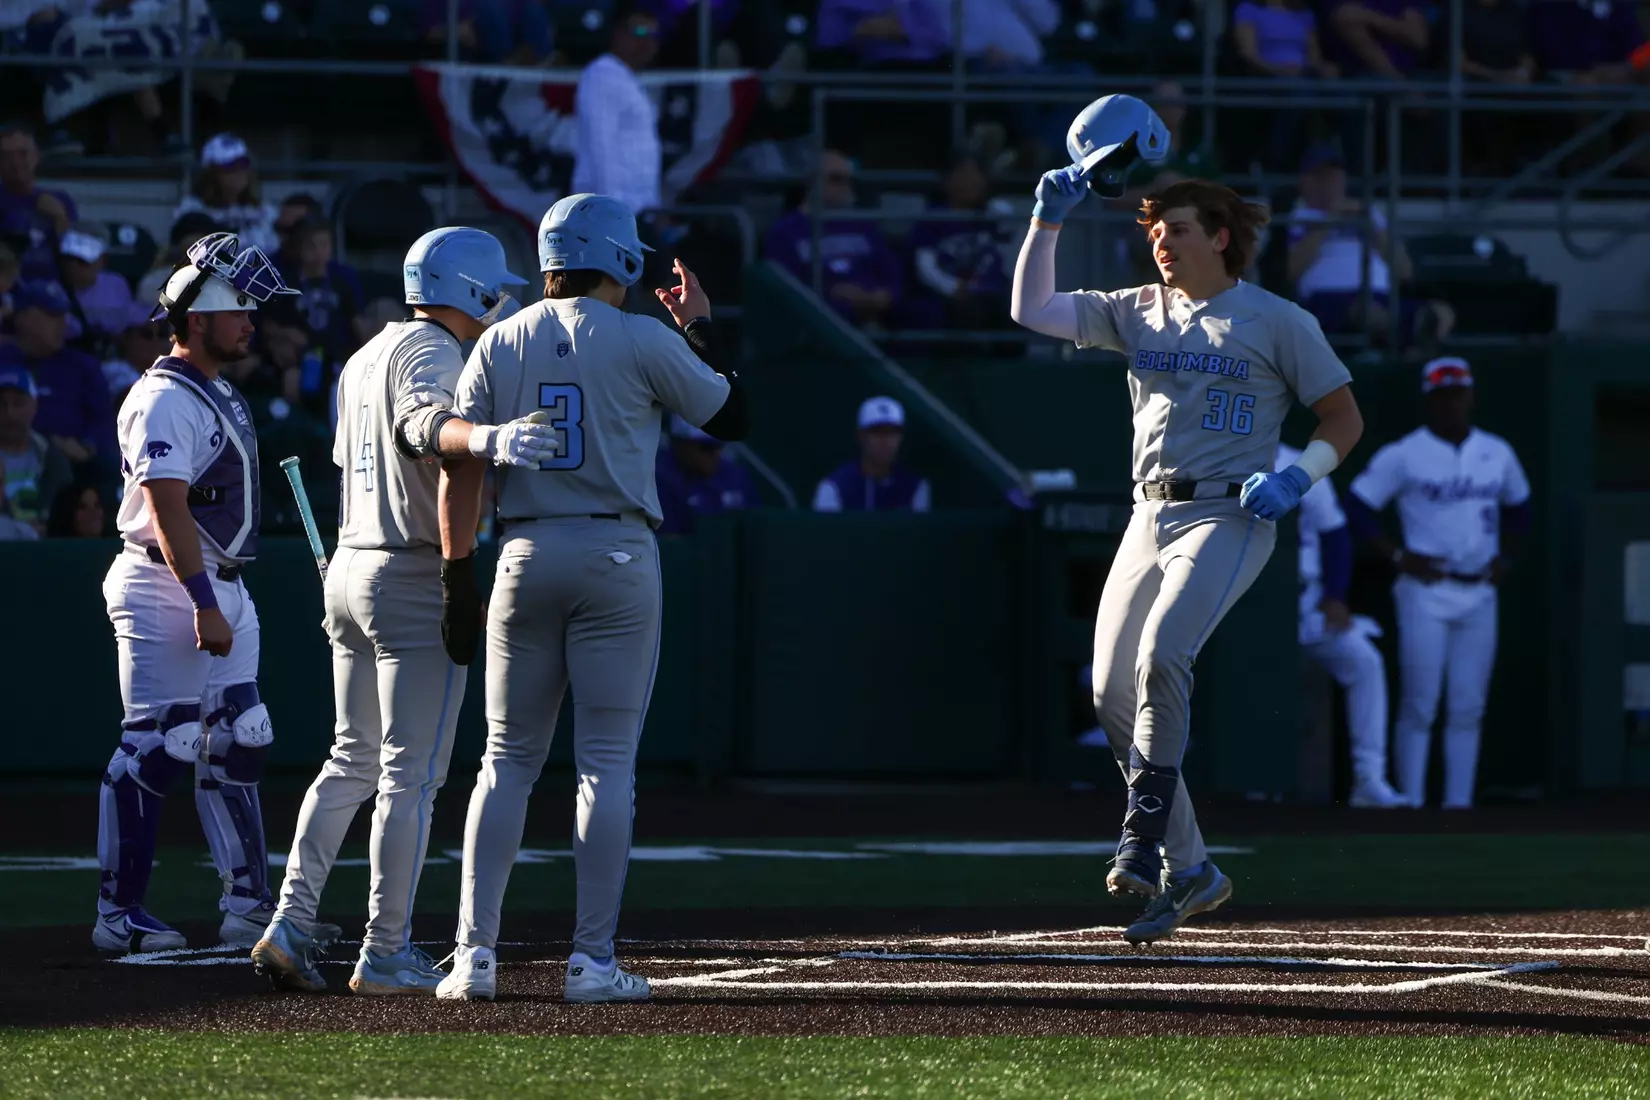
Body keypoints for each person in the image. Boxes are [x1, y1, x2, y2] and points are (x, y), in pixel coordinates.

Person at [1009, 95, 1365, 944]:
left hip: (1231, 513)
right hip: (1148, 513)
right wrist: (1042, 223)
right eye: (1153, 231)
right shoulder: (1138, 308)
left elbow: (1343, 419)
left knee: (1166, 655)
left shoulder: (1279, 320)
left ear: (1221, 236)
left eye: (1176, 229)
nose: (1160, 240)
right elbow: (1032, 309)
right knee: (1106, 692)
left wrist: (1299, 477)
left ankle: (1141, 834)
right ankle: (1192, 867)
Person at [434, 194, 748, 1003]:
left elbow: (460, 462)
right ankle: (591, 961)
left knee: (504, 763)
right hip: (614, 551)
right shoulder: (641, 334)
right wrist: (700, 327)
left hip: (523, 549)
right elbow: (733, 414)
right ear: (621, 257)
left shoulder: (499, 338)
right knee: (605, 765)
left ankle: (473, 957)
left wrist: (456, 573)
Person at [253, 228, 555, 996]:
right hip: (412, 570)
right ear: (470, 291)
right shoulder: (434, 353)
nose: (501, 306)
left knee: (350, 759)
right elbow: (424, 429)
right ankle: (384, 948)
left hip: (351, 565)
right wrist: (489, 436)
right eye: (494, 293)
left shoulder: (362, 354)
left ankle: (291, 918)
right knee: (409, 777)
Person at [93, 231, 307, 953]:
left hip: (220, 583)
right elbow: (166, 504)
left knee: (241, 738)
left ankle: (249, 905)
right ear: (197, 317)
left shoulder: (218, 392)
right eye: (238, 309)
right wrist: (202, 602)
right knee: (156, 745)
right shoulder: (163, 398)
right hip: (167, 583)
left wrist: (220, 599)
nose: (250, 321)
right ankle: (118, 914)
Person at [1344, 356, 1530, 810]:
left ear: (1470, 396)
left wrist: (1508, 557)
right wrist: (1399, 555)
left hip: (1479, 588)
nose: (1452, 403)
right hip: (1426, 589)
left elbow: (1521, 506)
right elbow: (1358, 506)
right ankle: (1411, 804)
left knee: (1468, 706)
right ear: (1429, 400)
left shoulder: (1496, 451)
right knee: (1420, 704)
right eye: (1442, 395)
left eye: (1458, 393)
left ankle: (1458, 806)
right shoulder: (1406, 452)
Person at [1276, 442, 1405, 808]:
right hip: (1247, 606)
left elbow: (1334, 533)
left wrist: (1336, 596)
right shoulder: (1223, 456)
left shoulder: (1299, 463)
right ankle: (1245, 788)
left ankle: (1369, 780)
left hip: (1306, 603)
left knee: (1364, 661)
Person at [764, 150, 902, 331]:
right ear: (813, 181)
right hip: (817, 328)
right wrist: (841, 299)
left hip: (871, 320)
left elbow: (890, 274)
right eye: (836, 179)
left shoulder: (863, 225)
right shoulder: (785, 232)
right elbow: (785, 293)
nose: (845, 186)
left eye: (849, 180)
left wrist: (880, 297)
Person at [0, 279, 115, 471]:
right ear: (23, 318)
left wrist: (87, 446)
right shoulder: (3, 360)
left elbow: (103, 420)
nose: (63, 324)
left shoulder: (82, 365)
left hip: (74, 466)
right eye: (52, 316)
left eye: (64, 316)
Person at [572, 5, 664, 218]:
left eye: (653, 35)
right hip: (609, 212)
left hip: (639, 209)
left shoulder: (629, 80)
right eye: (640, 33)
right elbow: (600, 146)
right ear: (618, 35)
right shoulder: (602, 74)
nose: (647, 42)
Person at [812, 396, 931, 512]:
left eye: (893, 433)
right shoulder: (835, 487)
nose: (887, 441)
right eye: (877, 432)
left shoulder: (914, 487)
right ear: (860, 436)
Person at [170, 135, 279, 256]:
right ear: (211, 173)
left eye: (243, 163)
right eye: (229, 166)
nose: (238, 172)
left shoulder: (265, 210)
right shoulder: (191, 209)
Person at [656, 414, 757, 536]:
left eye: (718, 446)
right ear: (680, 444)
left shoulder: (735, 475)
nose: (715, 454)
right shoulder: (660, 480)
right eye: (707, 447)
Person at [0, 364, 72, 533]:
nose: (9, 412)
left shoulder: (51, 456)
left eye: (18, 403)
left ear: (34, 406)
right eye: (1, 404)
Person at [0, 124, 76, 282]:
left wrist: (60, 218)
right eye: (6, 156)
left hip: (54, 289)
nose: (15, 162)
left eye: (22, 154)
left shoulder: (60, 200)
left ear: (36, 156)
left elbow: (77, 262)